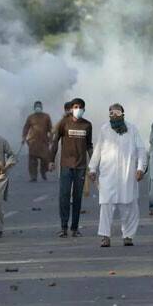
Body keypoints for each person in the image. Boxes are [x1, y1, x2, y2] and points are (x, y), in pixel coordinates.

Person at [88, 104, 147, 248]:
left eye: (117, 112)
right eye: (112, 112)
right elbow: (98, 150)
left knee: (129, 205)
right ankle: (105, 236)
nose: (114, 115)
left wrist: (140, 168)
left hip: (127, 175)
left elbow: (141, 150)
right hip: (108, 175)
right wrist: (92, 168)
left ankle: (128, 236)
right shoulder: (104, 129)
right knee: (106, 205)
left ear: (123, 114)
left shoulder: (132, 129)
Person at [49, 98, 93, 238]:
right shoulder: (64, 123)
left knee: (77, 197)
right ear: (72, 108)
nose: (78, 109)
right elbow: (55, 142)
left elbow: (89, 146)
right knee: (64, 196)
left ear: (84, 109)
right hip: (66, 166)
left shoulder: (87, 125)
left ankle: (75, 228)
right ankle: (63, 227)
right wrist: (51, 160)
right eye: (75, 106)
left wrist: (94, 165)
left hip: (81, 166)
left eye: (80, 107)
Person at [22, 101, 53, 182]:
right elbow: (26, 128)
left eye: (39, 106)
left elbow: (51, 129)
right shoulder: (30, 117)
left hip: (44, 142)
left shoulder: (46, 117)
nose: (38, 107)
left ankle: (43, 172)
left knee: (45, 159)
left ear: (41, 107)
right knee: (32, 160)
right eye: (36, 106)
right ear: (34, 107)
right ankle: (33, 176)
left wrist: (51, 138)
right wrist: (24, 137)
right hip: (33, 142)